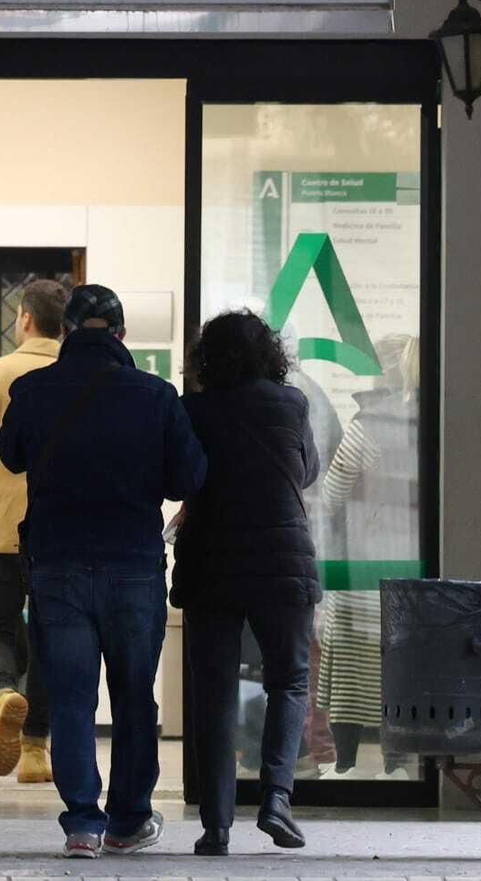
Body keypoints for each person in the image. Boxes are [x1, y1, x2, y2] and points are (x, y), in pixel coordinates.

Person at [0, 284, 206, 860]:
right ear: (119, 334)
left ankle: (83, 823)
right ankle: (128, 820)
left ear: (65, 331)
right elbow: (187, 479)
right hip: (133, 570)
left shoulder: (33, 389)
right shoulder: (156, 396)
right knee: (135, 698)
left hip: (57, 566)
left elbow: (11, 454)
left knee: (69, 699)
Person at [170, 310, 321, 857]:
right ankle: (277, 797)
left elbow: (182, 474)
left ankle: (216, 827)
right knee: (289, 680)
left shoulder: (194, 410)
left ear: (207, 357)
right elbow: (308, 470)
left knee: (213, 692)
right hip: (283, 561)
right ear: (270, 354)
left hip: (213, 562)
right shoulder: (292, 404)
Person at [0, 279, 67, 783]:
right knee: (48, 635)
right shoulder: (74, 373)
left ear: (24, 317)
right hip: (59, 531)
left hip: (3, 527)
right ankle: (35, 752)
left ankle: (4, 692)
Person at [316, 334, 420, 779]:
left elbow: (331, 495)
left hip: (361, 566)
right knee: (399, 668)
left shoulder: (365, 427)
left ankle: (345, 766)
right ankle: (398, 762)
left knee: (349, 677)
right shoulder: (424, 421)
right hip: (409, 566)